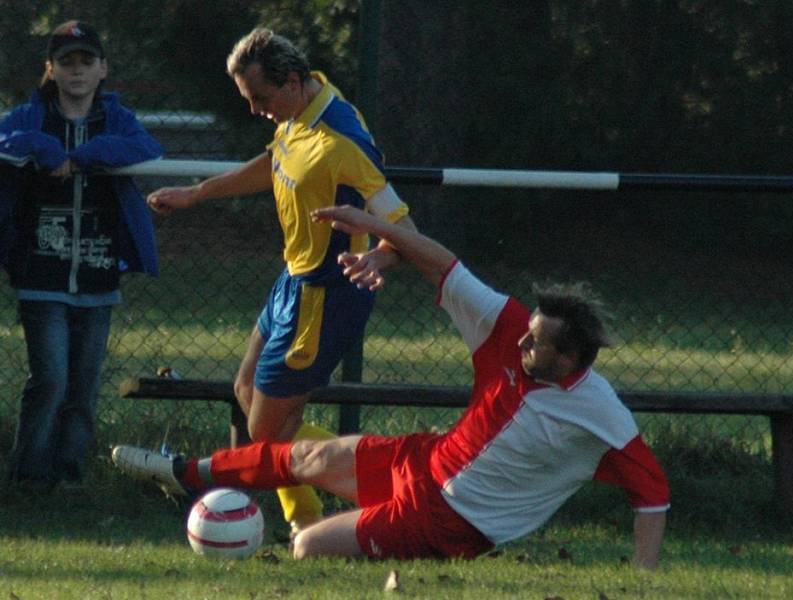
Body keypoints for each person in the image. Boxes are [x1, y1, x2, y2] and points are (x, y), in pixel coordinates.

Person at [112, 204, 670, 568]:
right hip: (428, 460)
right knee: (304, 455)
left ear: (569, 359)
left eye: (536, 343)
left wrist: (643, 581)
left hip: (450, 520)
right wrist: (374, 229)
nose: (521, 344)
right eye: (525, 334)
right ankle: (183, 473)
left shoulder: (601, 412)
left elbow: (653, 495)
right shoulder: (510, 329)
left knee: (307, 547)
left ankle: (266, 538)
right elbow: (444, 264)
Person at [144, 28, 416, 534]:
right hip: (292, 280)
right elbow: (275, 163)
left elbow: (403, 226)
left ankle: (394, 486)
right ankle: (307, 519)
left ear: (290, 82)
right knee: (246, 390)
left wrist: (384, 257)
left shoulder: (342, 141)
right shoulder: (300, 107)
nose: (255, 111)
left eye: (261, 99)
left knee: (265, 434)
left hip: (328, 295)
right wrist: (198, 192)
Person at [0, 20, 162, 486]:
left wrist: (87, 155)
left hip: (97, 275)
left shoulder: (117, 120)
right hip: (40, 273)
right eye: (66, 62)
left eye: (86, 61)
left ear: (102, 69)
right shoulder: (29, 117)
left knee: (83, 385)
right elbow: (5, 140)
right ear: (49, 69)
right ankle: (28, 476)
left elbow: (146, 148)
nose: (77, 71)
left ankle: (70, 476)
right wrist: (43, 147)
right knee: (49, 380)